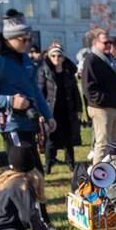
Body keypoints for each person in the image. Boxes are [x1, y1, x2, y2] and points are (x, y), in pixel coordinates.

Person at [0, 10, 53, 170]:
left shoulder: (23, 56)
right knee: (23, 171)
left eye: (30, 39)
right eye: (24, 40)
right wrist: (9, 101)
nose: (28, 43)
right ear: (10, 38)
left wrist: (47, 115)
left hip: (30, 122)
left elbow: (34, 89)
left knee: (36, 171)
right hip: (12, 124)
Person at [81, 28, 116, 160]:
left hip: (113, 106)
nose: (108, 45)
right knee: (102, 143)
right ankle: (96, 177)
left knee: (114, 144)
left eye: (110, 43)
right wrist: (103, 99)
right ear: (95, 43)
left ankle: (111, 173)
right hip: (101, 108)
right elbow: (88, 87)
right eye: (105, 42)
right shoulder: (92, 60)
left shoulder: (108, 58)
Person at [37, 44, 83, 174]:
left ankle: (71, 164)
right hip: (51, 110)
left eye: (59, 55)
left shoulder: (68, 71)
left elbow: (75, 90)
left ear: (63, 57)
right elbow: (40, 92)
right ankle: (48, 165)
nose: (56, 58)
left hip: (68, 109)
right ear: (49, 57)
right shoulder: (44, 70)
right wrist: (41, 112)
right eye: (53, 55)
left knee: (69, 139)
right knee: (51, 139)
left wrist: (79, 108)